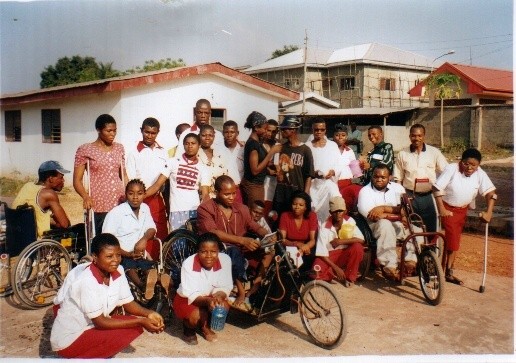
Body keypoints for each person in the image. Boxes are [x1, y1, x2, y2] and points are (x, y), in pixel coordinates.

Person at [50, 233, 164, 359]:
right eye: (109, 256)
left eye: (118, 255)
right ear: (95, 257)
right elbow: (100, 322)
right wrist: (141, 320)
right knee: (132, 327)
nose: (115, 260)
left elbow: (127, 303)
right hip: (69, 340)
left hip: (89, 327)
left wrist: (149, 313)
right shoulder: (86, 281)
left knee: (133, 326)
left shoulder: (118, 271)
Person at [197, 175, 272, 306]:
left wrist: (268, 235)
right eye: (227, 194)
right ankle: (241, 292)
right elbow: (213, 232)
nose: (231, 197)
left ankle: (255, 285)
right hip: (219, 248)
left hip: (241, 246)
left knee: (269, 252)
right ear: (216, 193)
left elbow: (254, 225)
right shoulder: (205, 208)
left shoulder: (241, 208)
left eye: (233, 193)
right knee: (233, 253)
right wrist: (242, 241)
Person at [433, 148, 496, 286]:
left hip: (462, 210)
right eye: (467, 163)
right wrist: (442, 209)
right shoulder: (452, 169)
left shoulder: (480, 173)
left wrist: (489, 212)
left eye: (474, 165)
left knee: (454, 241)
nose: (470, 167)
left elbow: (491, 193)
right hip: (447, 208)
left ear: (478, 165)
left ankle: (447, 271)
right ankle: (443, 272)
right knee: (452, 239)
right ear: (461, 161)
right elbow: (437, 188)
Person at [357, 164, 417, 280]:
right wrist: (397, 213)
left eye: (383, 177)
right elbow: (373, 216)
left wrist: (383, 208)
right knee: (385, 224)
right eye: (376, 176)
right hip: (374, 225)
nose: (379, 179)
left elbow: (407, 209)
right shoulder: (365, 191)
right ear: (372, 176)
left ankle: (410, 261)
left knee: (416, 229)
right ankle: (389, 265)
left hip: (397, 223)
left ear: (389, 177)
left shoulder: (398, 188)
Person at [173, 232, 232, 345]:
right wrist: (208, 301)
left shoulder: (225, 260)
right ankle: (188, 329)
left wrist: (218, 296)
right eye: (203, 251)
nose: (209, 255)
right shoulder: (188, 264)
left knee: (223, 306)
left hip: (210, 297)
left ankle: (205, 327)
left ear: (219, 251)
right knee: (195, 317)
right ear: (198, 251)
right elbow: (191, 295)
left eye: (213, 251)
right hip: (187, 299)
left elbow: (225, 285)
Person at [73, 114, 128, 236]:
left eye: (114, 131)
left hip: (119, 201)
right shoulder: (85, 149)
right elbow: (77, 180)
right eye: (108, 131)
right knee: (101, 238)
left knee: (120, 236)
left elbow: (123, 175)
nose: (112, 134)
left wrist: (129, 192)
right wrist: (85, 196)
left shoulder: (119, 148)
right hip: (99, 203)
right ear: (98, 130)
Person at [102, 179, 157, 300]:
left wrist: (144, 239)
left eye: (140, 193)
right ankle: (143, 287)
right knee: (129, 266)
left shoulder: (145, 208)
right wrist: (127, 253)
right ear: (126, 194)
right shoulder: (116, 213)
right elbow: (107, 241)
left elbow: (152, 228)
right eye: (131, 193)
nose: (135, 197)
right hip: (121, 254)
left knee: (147, 265)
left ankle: (151, 284)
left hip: (140, 253)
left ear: (144, 194)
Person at [145, 133, 210, 231]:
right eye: (187, 143)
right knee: (176, 242)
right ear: (183, 145)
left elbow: (205, 194)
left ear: (199, 145)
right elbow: (157, 185)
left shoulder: (203, 168)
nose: (190, 146)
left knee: (193, 243)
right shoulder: (173, 162)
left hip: (194, 211)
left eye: (193, 143)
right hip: (176, 210)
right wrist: (141, 196)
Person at [393, 123, 448, 233]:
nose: (416, 138)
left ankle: (431, 249)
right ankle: (414, 249)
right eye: (413, 136)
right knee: (412, 226)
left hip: (429, 196)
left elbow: (446, 172)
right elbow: (398, 178)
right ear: (410, 137)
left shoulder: (434, 152)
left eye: (419, 135)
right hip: (410, 195)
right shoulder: (402, 153)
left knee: (432, 224)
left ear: (424, 136)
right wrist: (402, 198)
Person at [126, 117, 169, 241]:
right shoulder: (134, 153)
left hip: (157, 198)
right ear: (141, 131)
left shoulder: (163, 152)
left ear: (157, 132)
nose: (149, 136)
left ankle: (159, 259)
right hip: (140, 198)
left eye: (153, 133)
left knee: (160, 231)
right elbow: (131, 181)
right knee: (142, 231)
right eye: (147, 132)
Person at [313, 196, 365, 286]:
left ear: (345, 211)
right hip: (329, 256)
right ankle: (335, 273)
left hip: (345, 254)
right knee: (316, 271)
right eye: (335, 211)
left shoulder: (350, 221)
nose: (338, 214)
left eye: (340, 211)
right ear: (330, 212)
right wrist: (336, 268)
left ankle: (349, 277)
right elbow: (321, 253)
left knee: (357, 247)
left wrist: (340, 241)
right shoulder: (324, 226)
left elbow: (361, 239)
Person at [12, 160, 71, 238]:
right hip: (39, 241)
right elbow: (65, 224)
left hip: (20, 238)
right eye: (61, 177)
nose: (63, 180)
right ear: (51, 179)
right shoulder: (49, 194)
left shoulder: (27, 186)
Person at [273, 116, 314, 218]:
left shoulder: (305, 150)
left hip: (297, 195)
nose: (281, 131)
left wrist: (305, 195)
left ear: (293, 129)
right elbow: (275, 167)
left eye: (284, 129)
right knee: (280, 221)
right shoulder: (281, 148)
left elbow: (309, 175)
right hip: (281, 194)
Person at [241, 111, 282, 208]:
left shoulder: (257, 142)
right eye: (264, 128)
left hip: (257, 184)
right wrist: (271, 152)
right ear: (256, 128)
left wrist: (268, 168)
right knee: (255, 214)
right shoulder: (253, 144)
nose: (265, 131)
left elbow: (258, 163)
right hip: (253, 185)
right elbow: (255, 170)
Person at [307, 118, 342, 222]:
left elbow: (339, 164)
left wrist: (333, 171)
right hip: (313, 185)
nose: (319, 132)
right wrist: (314, 173)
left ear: (325, 130)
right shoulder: (307, 146)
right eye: (316, 129)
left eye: (322, 129)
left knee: (335, 203)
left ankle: (331, 231)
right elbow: (304, 168)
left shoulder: (332, 145)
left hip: (329, 183)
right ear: (312, 130)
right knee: (314, 211)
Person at [278, 191, 318, 275]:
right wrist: (296, 244)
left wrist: (304, 247)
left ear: (306, 207)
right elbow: (282, 239)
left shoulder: (312, 216)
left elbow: (312, 240)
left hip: (305, 247)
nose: (297, 207)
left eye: (301, 205)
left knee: (311, 255)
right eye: (294, 204)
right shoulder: (285, 216)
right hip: (289, 246)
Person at [332, 123, 362, 211]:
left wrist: (361, 167)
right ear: (333, 137)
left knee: (346, 208)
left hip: (347, 184)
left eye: (343, 135)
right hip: (333, 184)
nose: (340, 137)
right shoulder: (329, 150)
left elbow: (356, 171)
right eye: (337, 135)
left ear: (346, 137)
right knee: (335, 208)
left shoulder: (350, 151)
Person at [198, 124, 230, 198]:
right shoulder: (195, 154)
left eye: (210, 135)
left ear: (214, 137)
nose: (207, 138)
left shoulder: (220, 154)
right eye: (204, 135)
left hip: (218, 197)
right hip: (200, 197)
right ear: (199, 136)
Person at [222, 120, 245, 203]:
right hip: (223, 190)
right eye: (226, 132)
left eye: (232, 132)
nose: (229, 135)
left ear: (237, 133)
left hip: (239, 189)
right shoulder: (218, 150)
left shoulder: (244, 149)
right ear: (222, 133)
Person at [263, 119, 280, 217]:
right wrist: (267, 169)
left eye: (274, 132)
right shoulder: (259, 145)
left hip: (275, 185)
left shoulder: (279, 145)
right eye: (268, 130)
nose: (271, 134)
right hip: (262, 185)